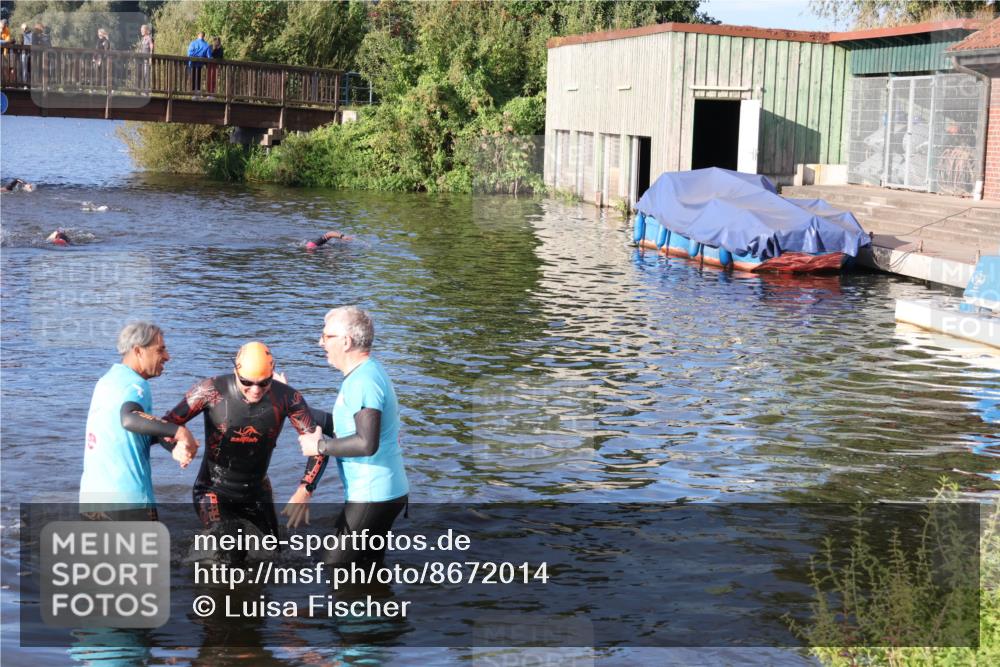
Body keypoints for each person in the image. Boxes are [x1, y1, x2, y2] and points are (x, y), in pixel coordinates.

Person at [163, 341, 328, 545]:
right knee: (231, 550)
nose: (255, 390)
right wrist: (175, 446)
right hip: (213, 490)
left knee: (275, 552)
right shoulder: (210, 390)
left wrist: (305, 490)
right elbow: (166, 424)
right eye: (247, 382)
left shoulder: (287, 397)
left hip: (257, 491)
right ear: (235, 372)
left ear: (273, 373)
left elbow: (318, 446)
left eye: (264, 383)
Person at [299, 306, 409, 567]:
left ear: (346, 342)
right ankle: (375, 605)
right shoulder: (365, 373)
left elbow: (365, 443)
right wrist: (292, 405)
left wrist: (320, 445)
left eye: (327, 337)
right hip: (382, 492)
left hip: (374, 495)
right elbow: (342, 426)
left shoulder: (363, 381)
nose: (320, 342)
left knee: (333, 568)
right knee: (365, 570)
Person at [79, 322, 200, 520]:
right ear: (138, 351)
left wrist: (172, 444)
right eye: (160, 350)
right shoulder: (136, 385)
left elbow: (130, 431)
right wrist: (180, 432)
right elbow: (130, 418)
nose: (167, 357)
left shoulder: (107, 381)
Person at [137, 24, 153, 89]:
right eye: (141, 30)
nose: (141, 31)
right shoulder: (143, 39)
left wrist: (150, 57)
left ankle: (146, 91)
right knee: (142, 74)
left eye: (142, 30)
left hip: (146, 59)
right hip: (142, 59)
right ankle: (142, 89)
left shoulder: (149, 38)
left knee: (146, 74)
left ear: (146, 30)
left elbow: (152, 46)